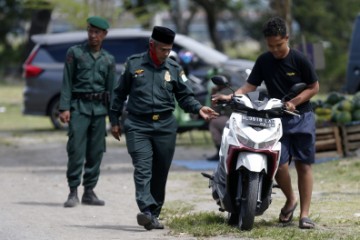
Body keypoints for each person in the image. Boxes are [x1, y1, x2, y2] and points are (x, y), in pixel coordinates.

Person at [212, 17, 319, 229]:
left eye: (279, 45)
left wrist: (294, 102)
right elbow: (250, 86)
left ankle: (304, 215)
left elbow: (314, 87)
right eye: (270, 46)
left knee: (304, 166)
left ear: (287, 39)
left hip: (302, 118)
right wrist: (230, 96)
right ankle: (291, 199)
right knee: (279, 165)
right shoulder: (264, 60)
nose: (275, 50)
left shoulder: (300, 60)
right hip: (276, 119)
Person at [109, 26, 218, 230]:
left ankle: (154, 214)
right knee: (143, 168)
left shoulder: (174, 68)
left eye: (169, 50)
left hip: (166, 126)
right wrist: (114, 119)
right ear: (152, 45)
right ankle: (146, 210)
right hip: (137, 124)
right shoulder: (134, 64)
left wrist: (199, 108)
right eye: (163, 50)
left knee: (160, 172)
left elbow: (185, 96)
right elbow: (119, 93)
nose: (166, 54)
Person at [59, 16, 116, 208]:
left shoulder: (109, 59)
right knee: (76, 150)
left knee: (96, 152)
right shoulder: (75, 53)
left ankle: (89, 191)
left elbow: (111, 91)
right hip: (79, 108)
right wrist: (64, 107)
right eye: (90, 31)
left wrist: (114, 119)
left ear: (104, 35)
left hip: (99, 111)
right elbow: (66, 81)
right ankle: (73, 191)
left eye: (97, 32)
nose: (93, 35)